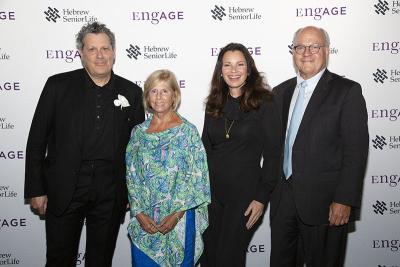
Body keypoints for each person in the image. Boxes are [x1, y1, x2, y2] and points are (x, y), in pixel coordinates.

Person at [24, 21, 145, 267]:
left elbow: (137, 150)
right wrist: (36, 189)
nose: (100, 55)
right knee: (59, 259)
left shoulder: (131, 92)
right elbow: (37, 139)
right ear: (81, 53)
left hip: (111, 190)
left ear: (114, 51)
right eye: (92, 49)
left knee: (100, 261)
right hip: (65, 186)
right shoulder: (57, 86)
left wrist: (133, 193)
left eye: (105, 48)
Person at [270, 26, 369, 267]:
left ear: (326, 51)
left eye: (314, 46)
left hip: (326, 205)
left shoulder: (347, 91)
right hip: (283, 202)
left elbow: (355, 152)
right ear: (292, 51)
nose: (306, 52)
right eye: (300, 46)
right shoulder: (280, 92)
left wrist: (344, 200)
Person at [200, 43, 281, 266]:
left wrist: (261, 198)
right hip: (211, 196)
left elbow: (274, 154)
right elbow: (204, 149)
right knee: (209, 258)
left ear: (249, 68)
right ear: (220, 69)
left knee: (229, 259)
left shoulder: (264, 102)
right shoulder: (213, 103)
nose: (233, 71)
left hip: (245, 197)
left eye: (239, 64)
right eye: (227, 65)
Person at [126, 69, 211, 267]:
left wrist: (176, 215)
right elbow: (131, 176)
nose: (159, 97)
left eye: (164, 91)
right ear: (147, 96)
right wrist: (138, 213)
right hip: (145, 221)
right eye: (153, 91)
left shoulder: (188, 132)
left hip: (179, 220)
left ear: (174, 95)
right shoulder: (138, 133)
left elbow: (198, 178)